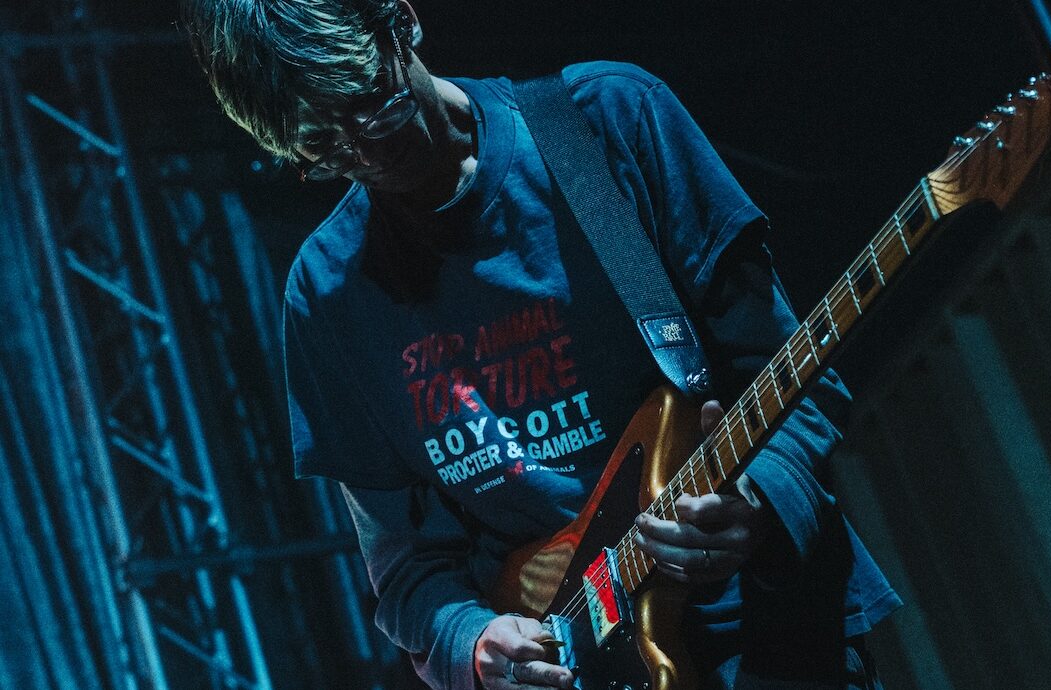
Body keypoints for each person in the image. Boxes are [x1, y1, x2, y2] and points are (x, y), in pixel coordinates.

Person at [186, 1, 901, 688]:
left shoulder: (607, 121)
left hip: (770, 636)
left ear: (401, 20)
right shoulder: (327, 292)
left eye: (374, 106)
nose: (366, 151)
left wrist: (758, 501)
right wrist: (473, 642)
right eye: (323, 147)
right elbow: (403, 569)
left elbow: (798, 380)